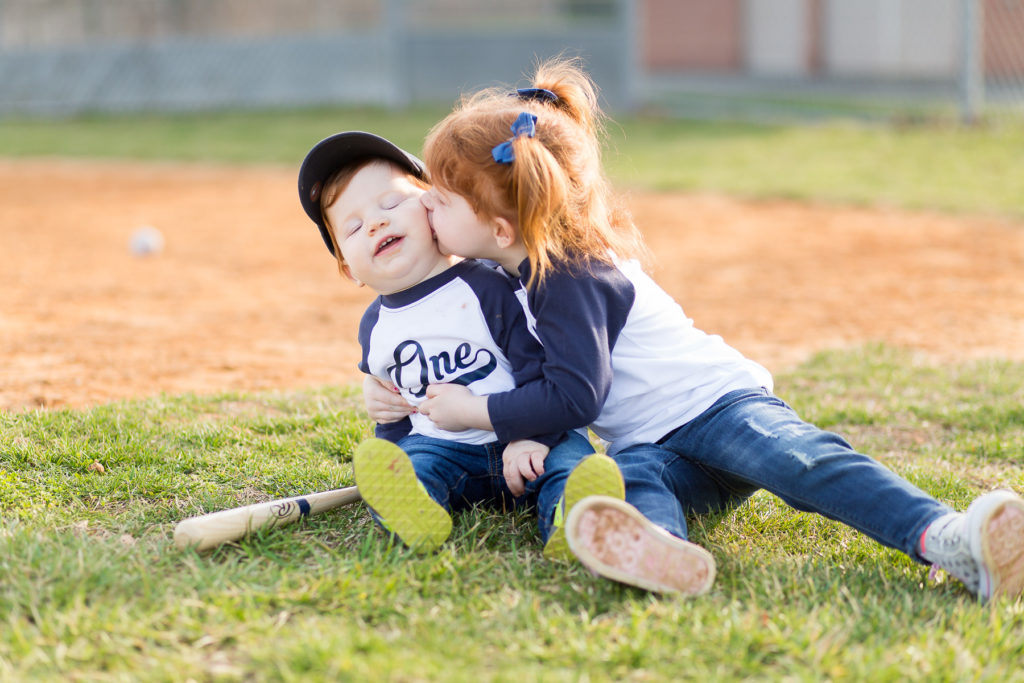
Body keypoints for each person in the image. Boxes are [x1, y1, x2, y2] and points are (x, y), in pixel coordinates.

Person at [365, 58, 1024, 602]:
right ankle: (661, 552)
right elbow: (520, 367)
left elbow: (575, 398)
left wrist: (475, 410)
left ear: (500, 229)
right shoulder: (512, 274)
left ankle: (949, 536)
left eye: (442, 200)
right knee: (630, 483)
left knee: (805, 463)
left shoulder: (569, 277)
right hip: (657, 443)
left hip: (720, 409)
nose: (426, 203)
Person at [296, 130, 629, 556]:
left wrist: (535, 438)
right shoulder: (374, 328)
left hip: (523, 441)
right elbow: (398, 407)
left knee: (568, 459)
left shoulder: (488, 284)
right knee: (414, 468)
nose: (376, 223)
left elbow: (536, 365)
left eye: (392, 203)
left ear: (431, 207)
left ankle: (572, 517)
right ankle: (415, 511)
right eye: (355, 226)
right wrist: (391, 445)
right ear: (349, 271)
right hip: (442, 447)